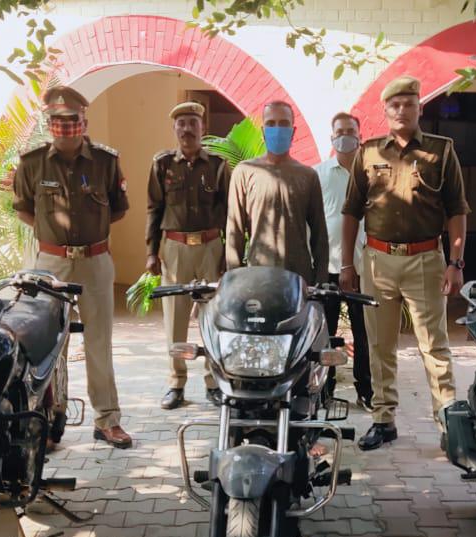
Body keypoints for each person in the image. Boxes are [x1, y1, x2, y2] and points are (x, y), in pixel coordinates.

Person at [340, 76, 470, 451]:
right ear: (385, 111)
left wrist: (456, 262)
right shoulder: (368, 153)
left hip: (425, 260)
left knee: (434, 346)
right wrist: (347, 264)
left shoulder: (441, 151)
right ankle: (383, 420)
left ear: (419, 108)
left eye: (408, 103)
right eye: (394, 105)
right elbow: (351, 211)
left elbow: (457, 210)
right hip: (377, 261)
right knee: (380, 345)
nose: (401, 110)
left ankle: (447, 422)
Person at [12, 85, 133, 449]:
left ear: (84, 121)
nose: (65, 127)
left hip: (95, 261)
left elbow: (118, 208)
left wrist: (87, 237)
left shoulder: (105, 162)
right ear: (49, 122)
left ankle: (107, 420)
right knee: (50, 343)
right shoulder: (32, 163)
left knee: (99, 342)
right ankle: (49, 421)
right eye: (58, 120)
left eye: (72, 120)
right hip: (51, 265)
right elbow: (24, 208)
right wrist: (55, 239)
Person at [146, 101, 231, 410]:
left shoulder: (218, 165)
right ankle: (176, 383)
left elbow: (229, 212)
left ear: (202, 128)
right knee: (175, 319)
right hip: (175, 248)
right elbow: (154, 209)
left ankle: (213, 382)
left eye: (192, 123)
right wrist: (151, 252)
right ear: (174, 129)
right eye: (181, 123)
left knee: (213, 317)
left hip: (210, 247)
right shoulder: (162, 164)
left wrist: (229, 254)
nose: (186, 129)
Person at [225, 101, 328, 286]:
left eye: (283, 123)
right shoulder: (244, 172)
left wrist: (320, 279)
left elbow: (319, 234)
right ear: (263, 131)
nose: (277, 129)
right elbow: (235, 231)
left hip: (298, 278)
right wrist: (234, 280)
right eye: (271, 124)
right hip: (258, 276)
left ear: (293, 132)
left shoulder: (308, 175)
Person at [314, 112, 373, 411]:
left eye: (350, 131)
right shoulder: (318, 174)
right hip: (328, 267)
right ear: (332, 137)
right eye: (340, 132)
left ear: (360, 136)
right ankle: (325, 390)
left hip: (364, 267)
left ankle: (366, 390)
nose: (345, 136)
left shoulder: (372, 174)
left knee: (364, 334)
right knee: (326, 333)